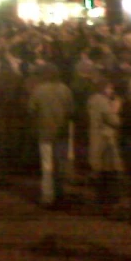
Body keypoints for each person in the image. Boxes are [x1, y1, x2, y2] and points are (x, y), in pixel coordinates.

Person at [28, 63, 74, 208]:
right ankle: (61, 192)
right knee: (60, 163)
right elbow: (71, 110)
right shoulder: (65, 90)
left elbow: (31, 109)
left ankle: (48, 195)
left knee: (47, 165)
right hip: (62, 132)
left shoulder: (39, 91)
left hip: (45, 132)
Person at [87, 77, 123, 209]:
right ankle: (109, 201)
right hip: (106, 140)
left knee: (100, 171)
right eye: (110, 88)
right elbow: (114, 121)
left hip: (96, 138)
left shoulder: (92, 100)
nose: (111, 91)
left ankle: (100, 199)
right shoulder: (102, 102)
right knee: (108, 171)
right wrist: (116, 109)